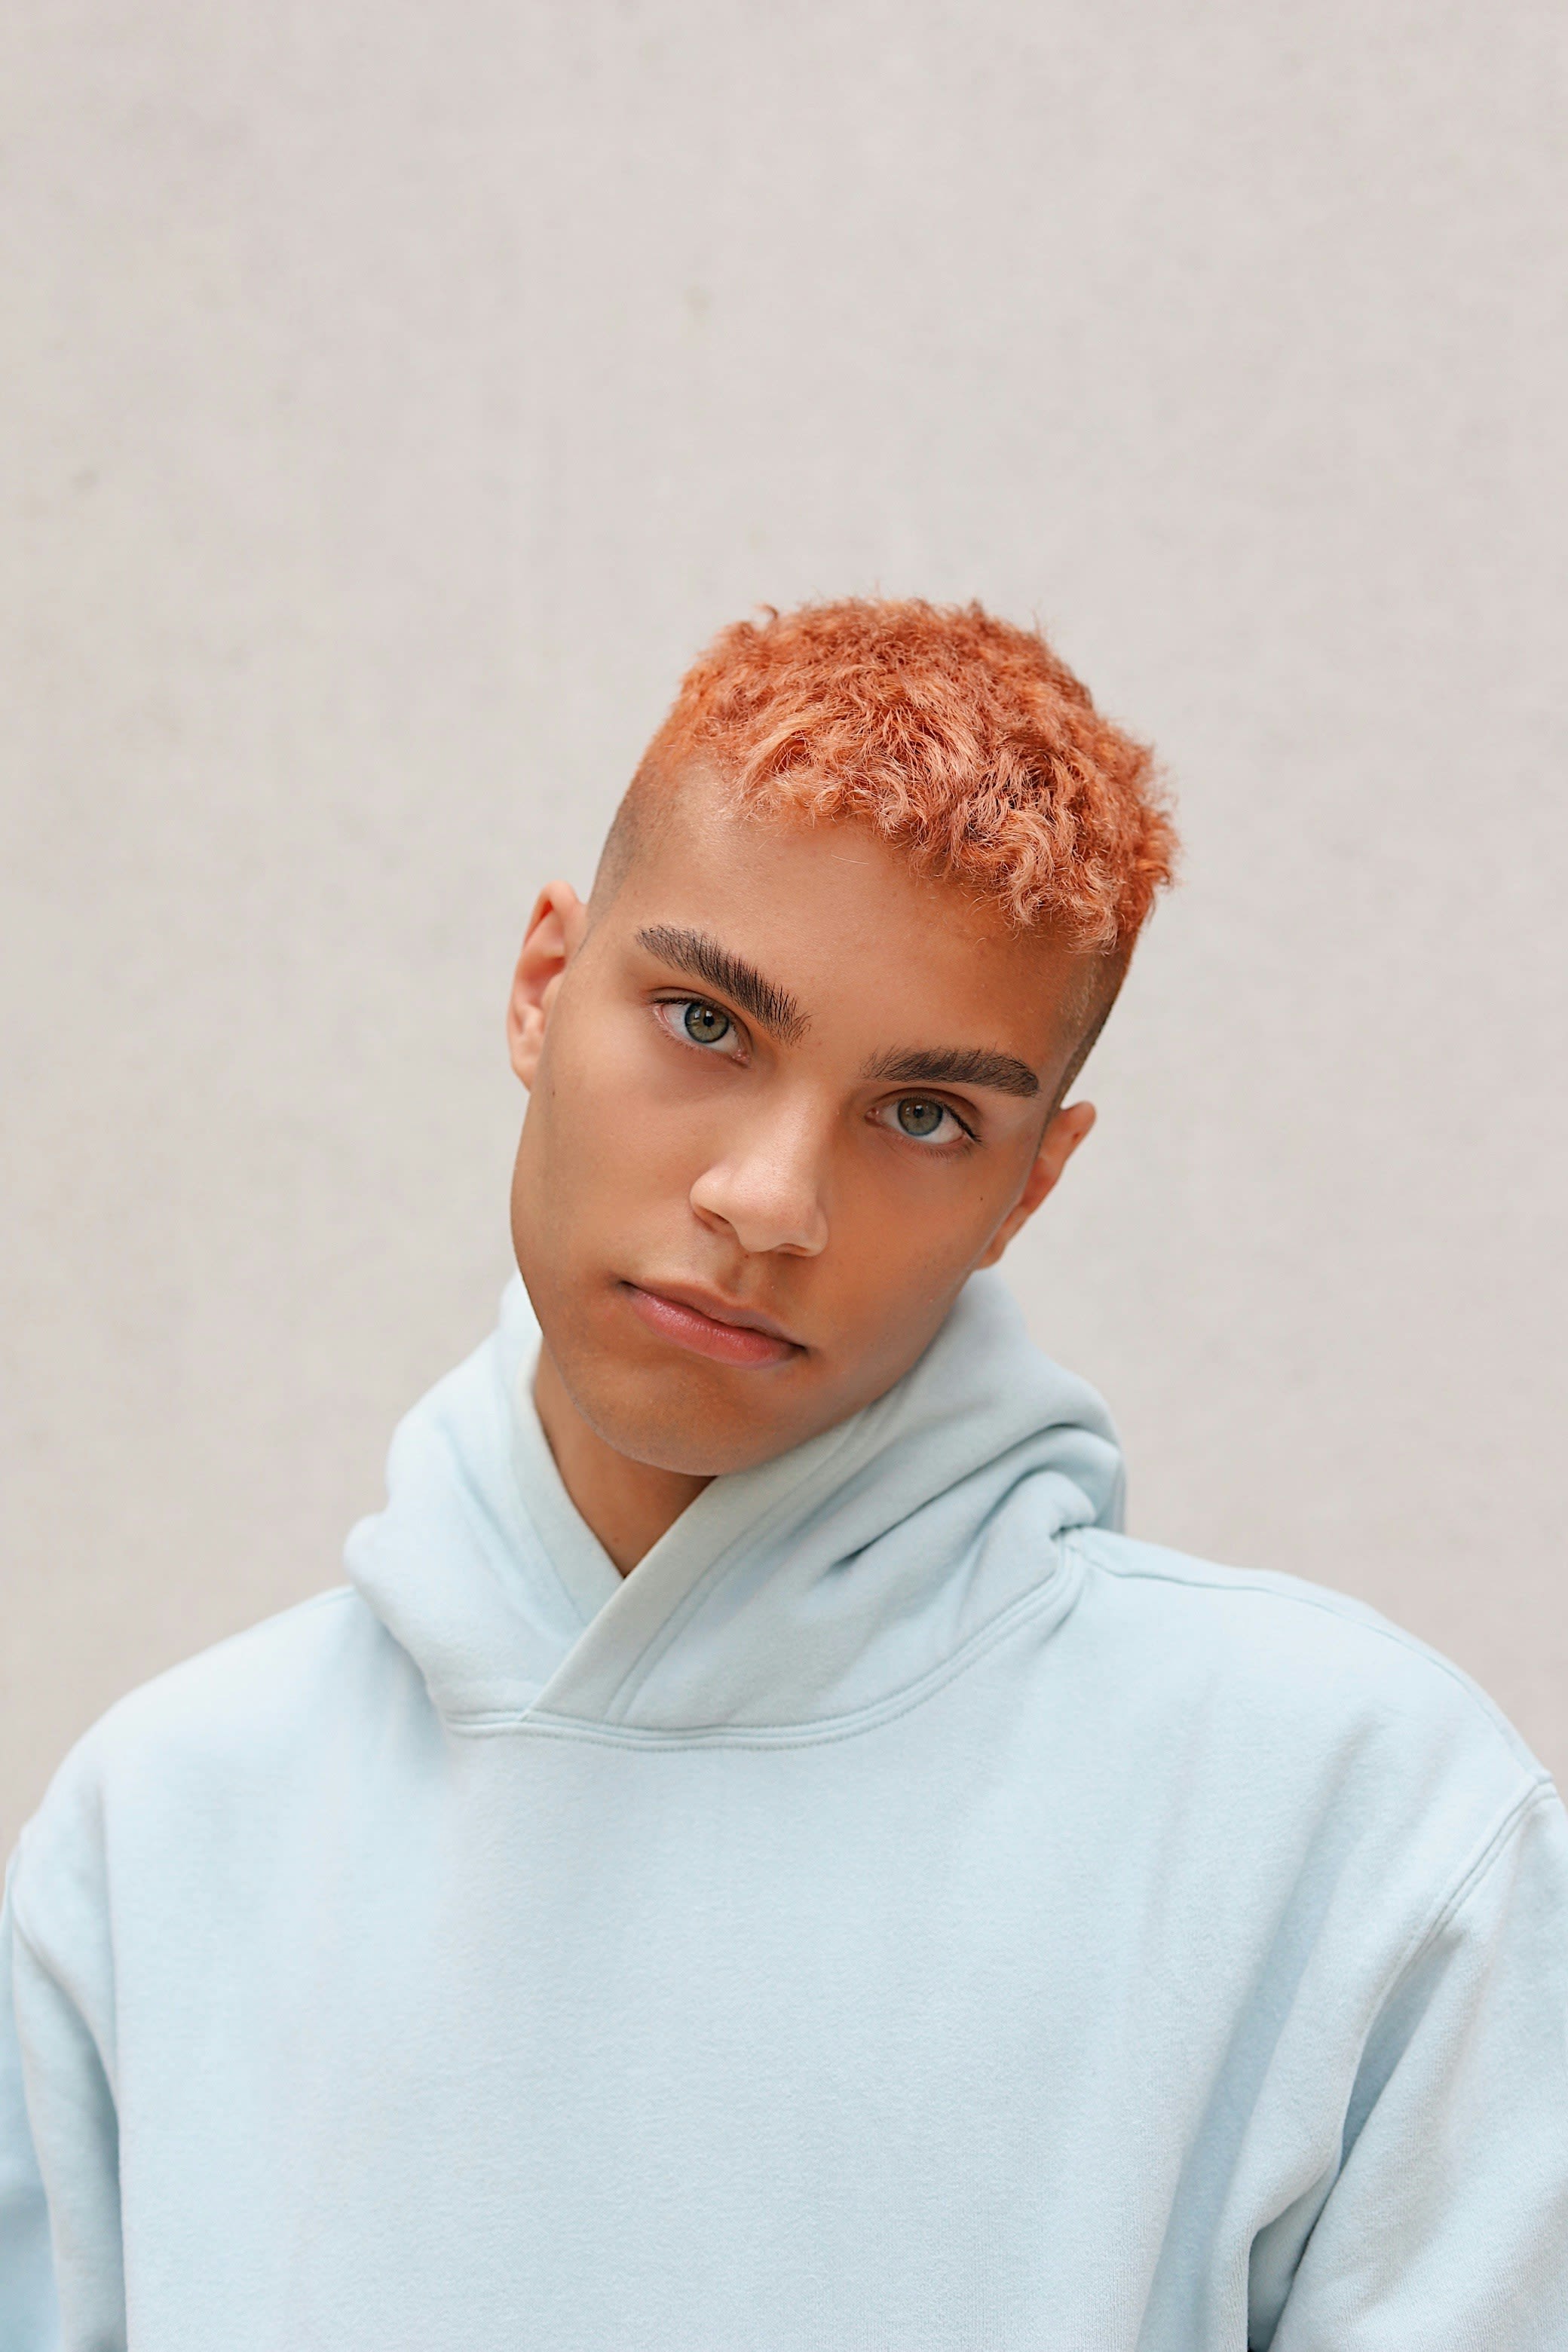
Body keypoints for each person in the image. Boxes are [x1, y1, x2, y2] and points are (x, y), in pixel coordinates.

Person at [2, 599, 1564, 2350]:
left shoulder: (1360, 1830)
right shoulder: (158, 1840)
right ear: (539, 989)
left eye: (921, 1117)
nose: (767, 1199)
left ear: (1027, 1188)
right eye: (702, 1021)